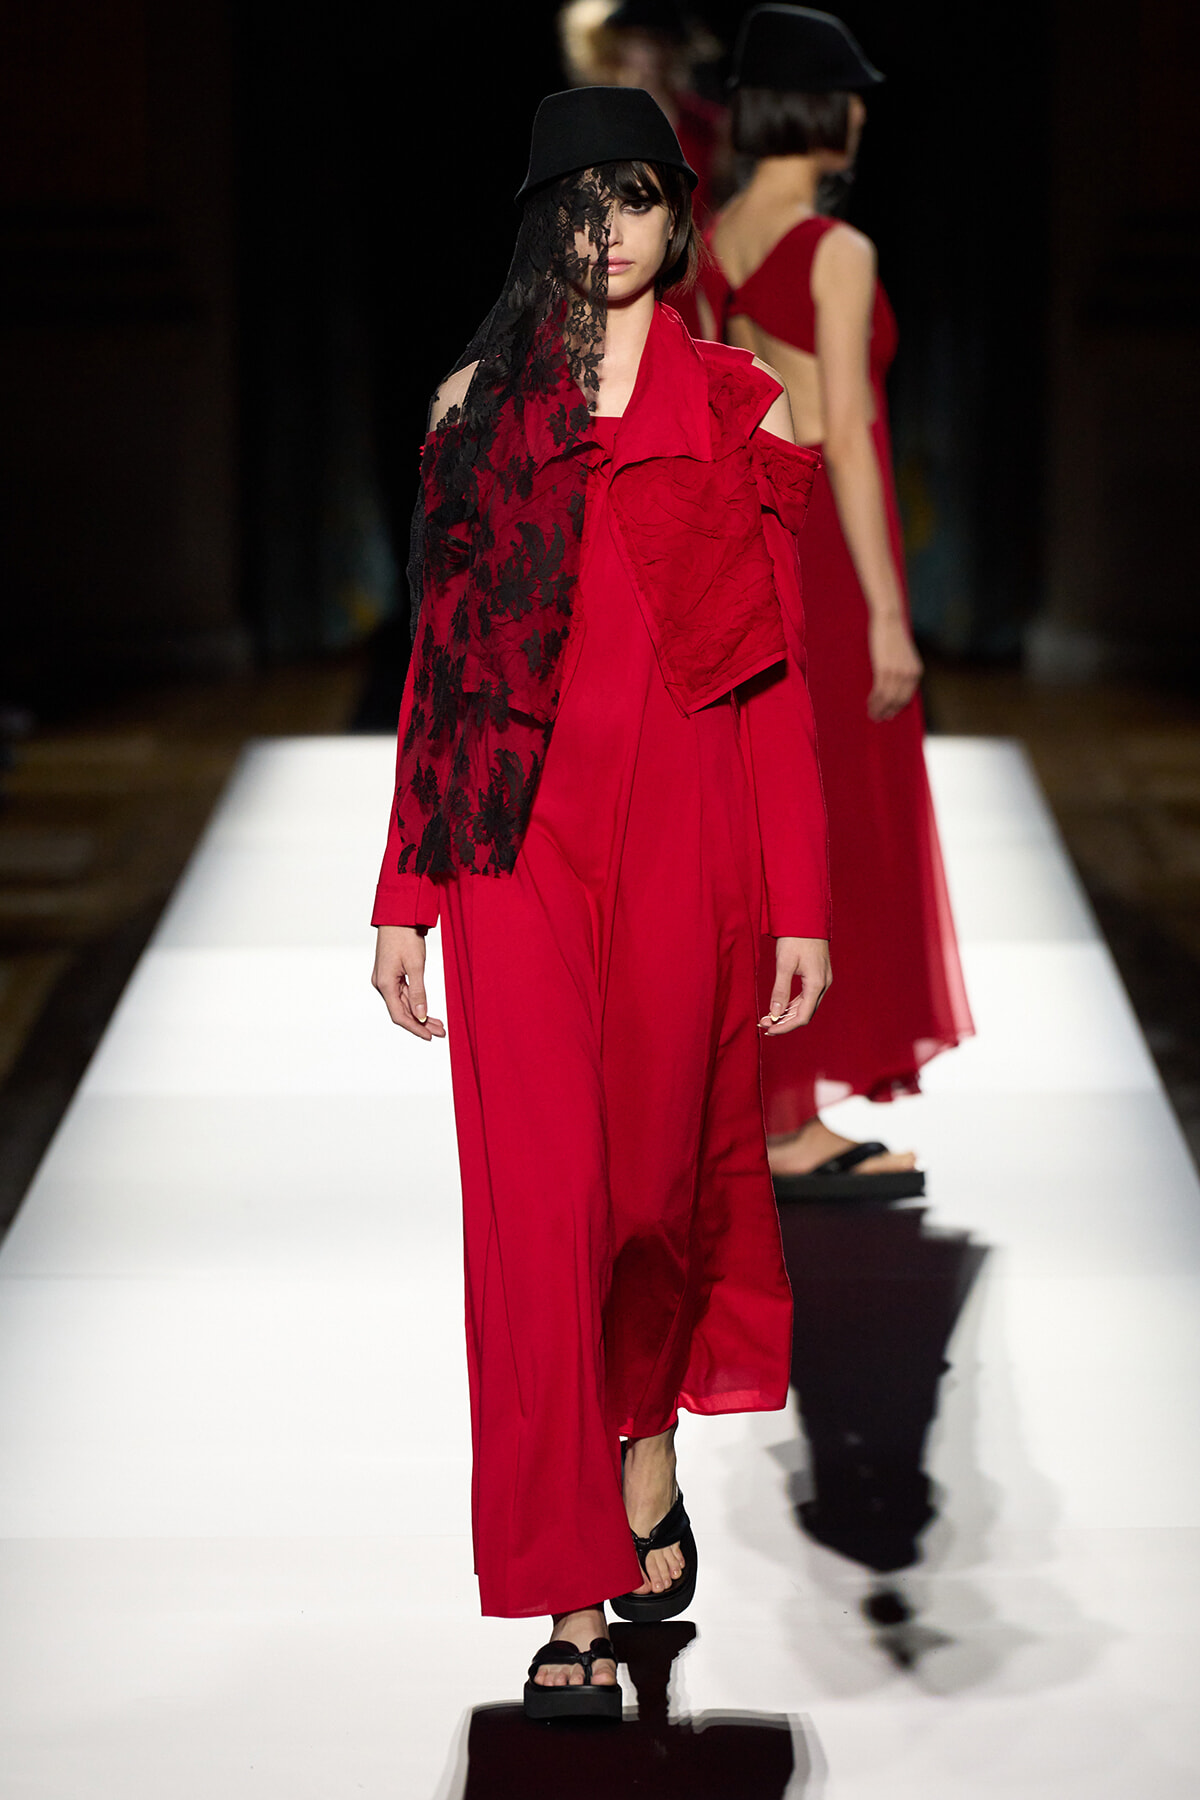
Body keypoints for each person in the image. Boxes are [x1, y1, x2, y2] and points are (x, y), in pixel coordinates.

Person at [371, 86, 830, 1717]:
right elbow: (440, 669)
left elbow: (776, 674)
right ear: (539, 225)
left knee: (648, 1201)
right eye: (580, 202)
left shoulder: (742, 410)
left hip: (688, 850)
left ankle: (643, 1439)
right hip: (513, 856)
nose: (610, 230)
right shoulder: (475, 414)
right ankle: (563, 1587)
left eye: (636, 198)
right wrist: (405, 889)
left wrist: (798, 899)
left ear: (674, 218)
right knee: (535, 1223)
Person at [700, 6, 973, 1200]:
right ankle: (788, 1124)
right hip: (823, 546)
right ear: (820, 108)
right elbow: (849, 437)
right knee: (837, 821)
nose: (863, 111)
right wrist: (886, 613)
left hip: (748, 539)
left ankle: (762, 1105)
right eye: (851, 91)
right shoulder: (835, 248)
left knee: (768, 826)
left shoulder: (710, 238)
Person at [558, 0, 729, 333]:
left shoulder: (708, 126)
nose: (645, 55)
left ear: (673, 48)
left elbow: (720, 208)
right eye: (634, 42)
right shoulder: (592, 124)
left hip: (691, 279)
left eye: (654, 41)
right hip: (617, 271)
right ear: (613, 47)